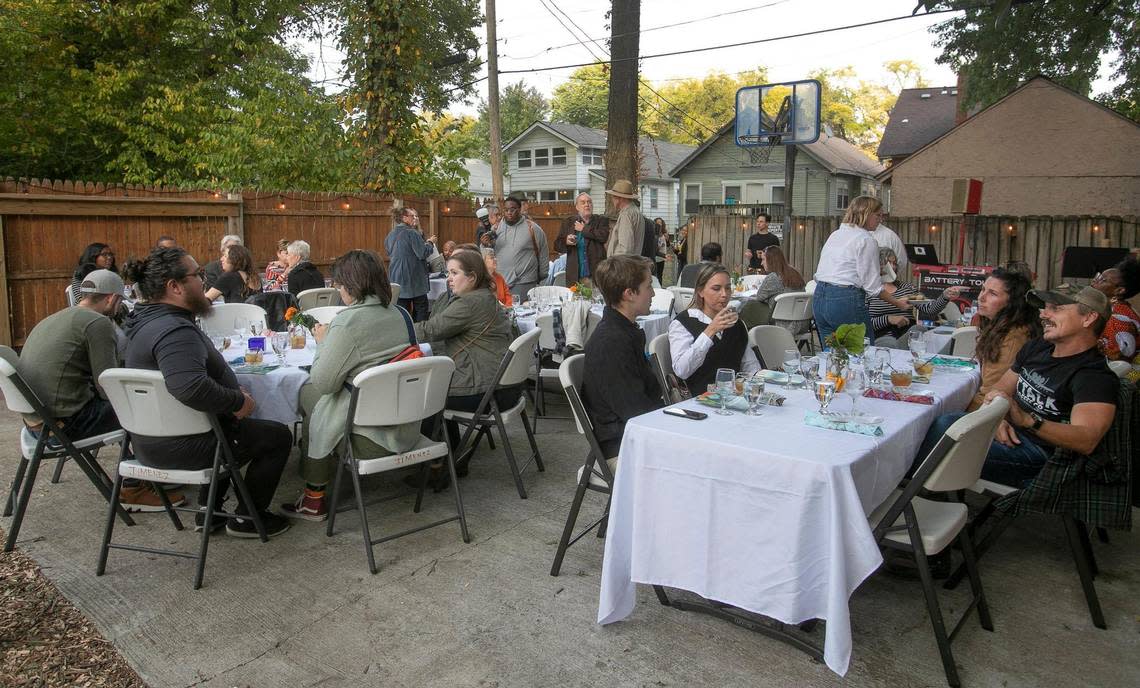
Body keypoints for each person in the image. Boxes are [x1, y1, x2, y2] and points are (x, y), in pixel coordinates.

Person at [121, 248, 291, 537]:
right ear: (174, 287)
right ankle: (248, 518)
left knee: (227, 425)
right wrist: (236, 401)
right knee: (276, 436)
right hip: (184, 445)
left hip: (151, 441)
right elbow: (189, 385)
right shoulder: (173, 330)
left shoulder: (147, 321)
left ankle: (209, 512)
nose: (204, 280)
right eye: (197, 275)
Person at [916, 285, 1118, 489]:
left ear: (1089, 318)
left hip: (1041, 457)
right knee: (940, 423)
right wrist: (997, 417)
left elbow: (1086, 440)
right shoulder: (1038, 348)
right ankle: (919, 489)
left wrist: (1028, 421)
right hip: (1009, 433)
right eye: (1045, 308)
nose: (1044, 315)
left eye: (1056, 308)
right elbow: (1001, 388)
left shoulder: (1094, 376)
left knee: (934, 440)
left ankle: (908, 495)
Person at [19, 269, 184, 512]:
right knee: (146, 411)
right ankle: (134, 487)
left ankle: (152, 476)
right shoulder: (97, 323)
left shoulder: (59, 316)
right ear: (112, 299)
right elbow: (108, 384)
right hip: (65, 424)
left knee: (134, 406)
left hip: (37, 422)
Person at [283, 250, 423, 521]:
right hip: (407, 425)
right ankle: (318, 462)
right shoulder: (401, 314)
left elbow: (324, 382)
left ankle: (314, 494)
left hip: (370, 439)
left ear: (350, 285)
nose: (336, 289)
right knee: (328, 395)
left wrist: (323, 341)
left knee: (310, 393)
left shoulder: (347, 322)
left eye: (337, 283)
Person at [414, 250, 516, 480]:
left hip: (486, 393)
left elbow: (431, 330)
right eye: (448, 272)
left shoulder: (469, 303)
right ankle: (453, 459)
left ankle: (435, 466)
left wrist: (396, 325)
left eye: (454, 273)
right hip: (505, 387)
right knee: (437, 386)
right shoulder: (486, 295)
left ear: (472, 277)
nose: (448, 278)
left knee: (425, 395)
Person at [581, 256, 664, 457]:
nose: (652, 293)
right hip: (623, 445)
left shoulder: (624, 331)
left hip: (632, 433)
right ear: (629, 294)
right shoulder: (611, 342)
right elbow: (635, 412)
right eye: (648, 287)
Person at [812, 196, 910, 344]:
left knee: (832, 353)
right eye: (878, 215)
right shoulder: (866, 239)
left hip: (819, 297)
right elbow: (873, 289)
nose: (880, 219)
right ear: (866, 213)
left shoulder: (836, 235)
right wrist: (899, 303)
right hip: (845, 299)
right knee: (861, 352)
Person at [669, 262, 761, 394]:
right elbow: (682, 370)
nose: (724, 294)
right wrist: (710, 331)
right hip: (699, 400)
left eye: (728, 288)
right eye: (716, 288)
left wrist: (758, 387)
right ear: (700, 291)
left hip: (733, 397)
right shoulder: (684, 323)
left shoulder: (736, 324)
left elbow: (750, 366)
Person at [966, 267, 1041, 411]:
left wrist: (958, 411)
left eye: (992, 293)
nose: (981, 297)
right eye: (983, 289)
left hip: (996, 415)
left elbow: (992, 394)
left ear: (1012, 302)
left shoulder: (1013, 337)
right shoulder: (1000, 327)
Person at [867, 247, 962, 348]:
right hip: (880, 337)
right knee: (889, 341)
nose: (893, 267)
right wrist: (888, 319)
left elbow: (930, 308)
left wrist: (945, 296)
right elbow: (864, 323)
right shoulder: (869, 290)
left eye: (894, 263)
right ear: (878, 265)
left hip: (906, 335)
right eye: (889, 263)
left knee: (918, 329)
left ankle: (902, 348)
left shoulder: (907, 288)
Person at [385, 205, 436, 322]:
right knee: (421, 308)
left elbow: (389, 252)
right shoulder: (411, 233)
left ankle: (406, 335)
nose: (415, 218)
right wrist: (430, 243)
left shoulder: (390, 235)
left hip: (396, 278)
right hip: (413, 278)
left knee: (403, 312)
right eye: (412, 216)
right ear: (404, 218)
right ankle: (419, 336)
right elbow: (422, 253)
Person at [492, 195, 548, 296]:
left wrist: (543, 275)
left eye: (513, 209)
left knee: (521, 311)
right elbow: (487, 253)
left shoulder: (533, 228)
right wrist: (484, 244)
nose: (509, 212)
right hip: (500, 281)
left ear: (520, 209)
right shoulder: (496, 228)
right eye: (506, 210)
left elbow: (543, 250)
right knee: (502, 311)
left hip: (524, 281)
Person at [554, 192, 609, 285]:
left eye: (589, 202)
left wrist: (584, 229)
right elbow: (557, 245)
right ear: (577, 207)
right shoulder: (568, 222)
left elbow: (603, 236)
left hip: (596, 276)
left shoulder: (601, 220)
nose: (587, 204)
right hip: (575, 276)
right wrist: (566, 241)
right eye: (583, 202)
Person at [1092, 256, 1139, 362]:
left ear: (1119, 290)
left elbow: (1120, 361)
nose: (1095, 281)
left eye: (1102, 280)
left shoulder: (1119, 319)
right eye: (1098, 276)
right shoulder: (1108, 308)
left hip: (1128, 375)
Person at [752, 246, 808, 335]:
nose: (761, 263)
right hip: (803, 324)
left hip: (782, 325)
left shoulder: (773, 277)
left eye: (763, 259)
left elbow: (759, 297)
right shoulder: (794, 273)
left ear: (771, 260)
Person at [604, 180, 642, 258]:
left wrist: (615, 266)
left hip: (622, 266)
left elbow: (625, 249)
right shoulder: (635, 211)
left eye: (613, 197)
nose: (612, 200)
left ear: (619, 198)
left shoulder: (626, 214)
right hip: (632, 264)